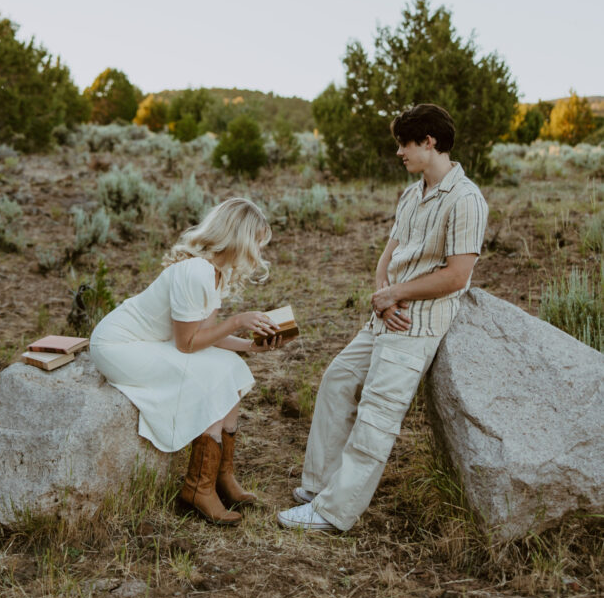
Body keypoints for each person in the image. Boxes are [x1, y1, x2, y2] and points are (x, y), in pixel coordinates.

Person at [277, 103, 488, 533]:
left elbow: (457, 274)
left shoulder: (467, 199)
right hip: (387, 313)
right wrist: (384, 296)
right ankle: (319, 486)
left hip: (417, 324)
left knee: (377, 414)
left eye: (404, 144)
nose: (399, 153)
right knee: (337, 379)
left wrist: (397, 295)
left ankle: (333, 514)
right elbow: (388, 257)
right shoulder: (412, 194)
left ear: (429, 142)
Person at [90, 197, 282, 527]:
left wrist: (250, 347)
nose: (258, 254)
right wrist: (238, 321)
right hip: (119, 346)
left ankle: (222, 477)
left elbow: (207, 333)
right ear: (239, 238)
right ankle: (198, 488)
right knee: (208, 377)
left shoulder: (215, 273)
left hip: (152, 342)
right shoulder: (196, 272)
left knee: (231, 367)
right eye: (257, 243)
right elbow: (188, 344)